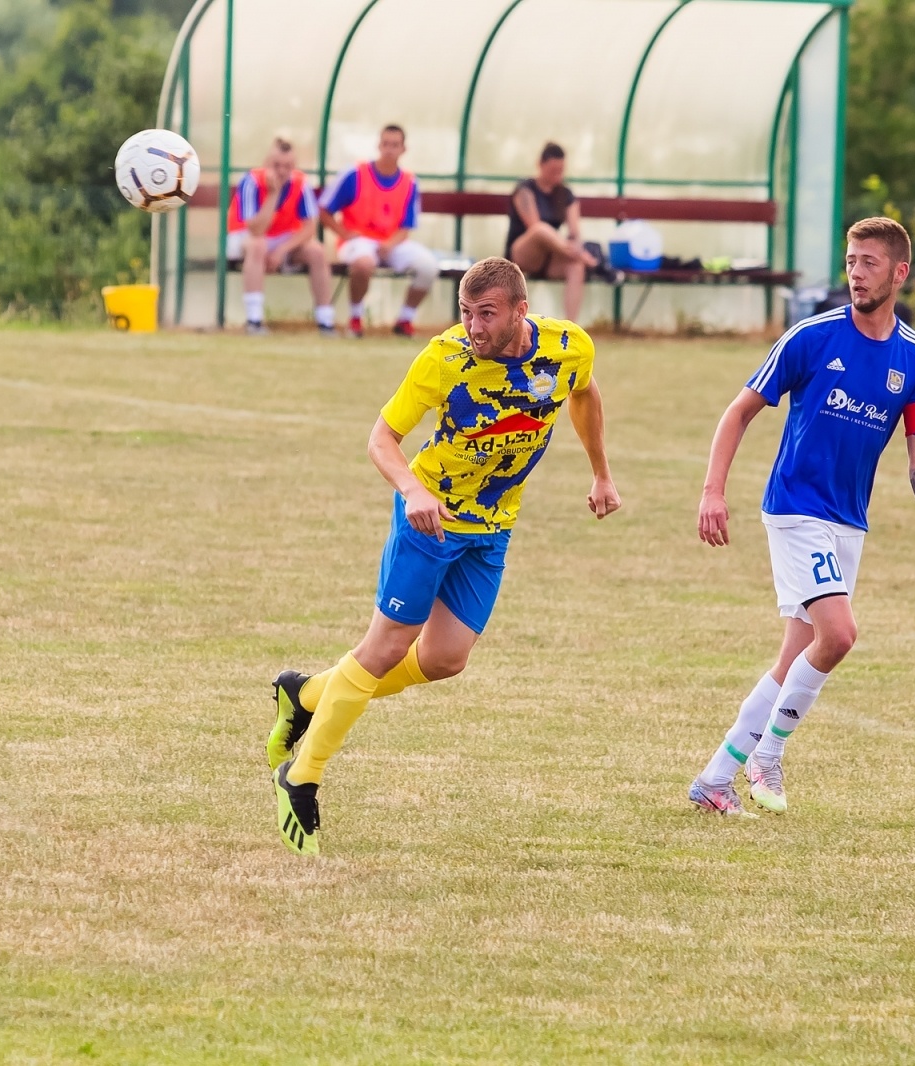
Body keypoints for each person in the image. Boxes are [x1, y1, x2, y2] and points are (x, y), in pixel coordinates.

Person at [266, 257, 622, 855]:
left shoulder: (568, 349)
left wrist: (601, 473)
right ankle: (301, 775)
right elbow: (382, 437)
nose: (474, 327)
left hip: (493, 528)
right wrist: (412, 491)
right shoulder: (443, 358)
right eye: (465, 313)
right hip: (429, 522)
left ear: (520, 312)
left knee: (445, 659)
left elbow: (583, 394)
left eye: (486, 315)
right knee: (383, 650)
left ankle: (303, 694)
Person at [687, 217, 915, 816]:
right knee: (839, 635)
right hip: (795, 508)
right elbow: (738, 412)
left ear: (900, 272)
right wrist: (712, 491)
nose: (856, 273)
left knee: (793, 660)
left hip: (847, 521)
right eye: (851, 261)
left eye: (869, 263)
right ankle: (769, 755)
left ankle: (713, 780)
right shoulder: (811, 337)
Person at [320, 124, 438, 338]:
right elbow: (324, 210)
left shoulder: (410, 182)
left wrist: (390, 244)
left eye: (395, 145)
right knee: (364, 264)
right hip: (358, 241)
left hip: (392, 243)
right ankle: (355, 318)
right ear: (378, 145)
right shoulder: (355, 174)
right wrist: (344, 234)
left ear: (403, 149)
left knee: (429, 266)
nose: (389, 149)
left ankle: (405, 320)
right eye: (385, 144)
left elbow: (407, 226)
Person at [226, 137, 335, 335]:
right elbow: (255, 230)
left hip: (282, 241)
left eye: (288, 166)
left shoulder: (301, 183)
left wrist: (281, 250)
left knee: (317, 251)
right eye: (277, 165)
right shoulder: (252, 181)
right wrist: (273, 195)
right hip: (245, 238)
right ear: (267, 163)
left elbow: (310, 228)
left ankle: (325, 321)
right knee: (258, 245)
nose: (282, 171)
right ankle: (254, 319)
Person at [506, 142, 598, 323]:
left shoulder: (566, 194)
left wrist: (573, 245)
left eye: (561, 170)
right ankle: (586, 258)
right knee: (541, 229)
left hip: (552, 255)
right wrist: (575, 250)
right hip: (523, 253)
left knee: (576, 266)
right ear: (541, 165)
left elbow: (575, 232)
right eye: (553, 170)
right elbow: (534, 227)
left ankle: (571, 327)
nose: (558, 175)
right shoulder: (525, 189)